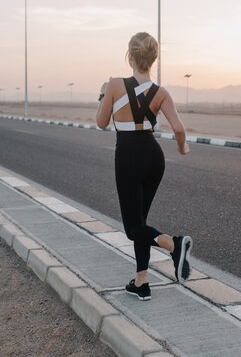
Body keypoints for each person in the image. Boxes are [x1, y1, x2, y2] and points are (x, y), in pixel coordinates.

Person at [96, 32, 192, 301]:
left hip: (128, 157)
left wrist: (103, 94)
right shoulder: (161, 93)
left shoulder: (115, 85)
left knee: (132, 229)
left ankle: (175, 245)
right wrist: (182, 148)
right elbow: (179, 130)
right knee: (141, 223)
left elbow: (101, 122)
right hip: (154, 158)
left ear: (130, 56)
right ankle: (141, 282)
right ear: (153, 58)